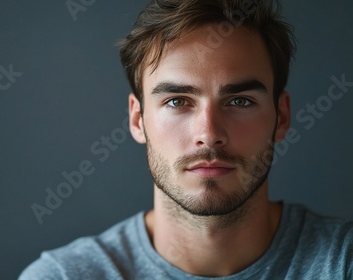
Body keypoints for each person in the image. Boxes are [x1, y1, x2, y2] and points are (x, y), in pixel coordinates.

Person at [20, 0, 353, 279]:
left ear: (281, 117)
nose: (208, 134)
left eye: (239, 101)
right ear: (138, 119)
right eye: (177, 101)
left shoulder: (342, 263)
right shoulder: (64, 276)